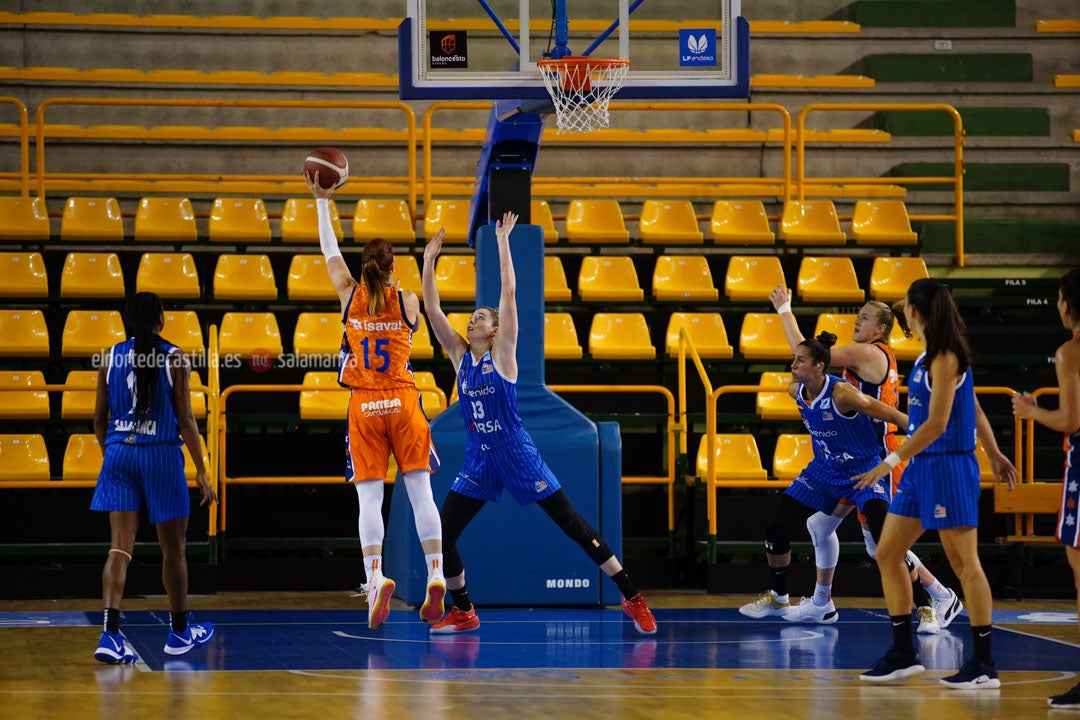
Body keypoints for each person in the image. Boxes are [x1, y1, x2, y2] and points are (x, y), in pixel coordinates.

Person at [421, 210, 656, 635]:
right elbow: (433, 309)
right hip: (480, 458)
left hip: (516, 451)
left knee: (572, 523)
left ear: (493, 331)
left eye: (481, 317)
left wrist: (503, 242)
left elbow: (508, 294)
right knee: (443, 531)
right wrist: (428, 260)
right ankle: (464, 610)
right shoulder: (460, 358)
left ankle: (632, 596)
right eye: (472, 315)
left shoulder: (502, 356)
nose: (473, 318)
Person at [768, 286, 962, 632]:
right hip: (853, 457)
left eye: (865, 317)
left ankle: (937, 596)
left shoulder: (867, 354)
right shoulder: (870, 357)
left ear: (881, 329)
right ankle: (821, 602)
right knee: (820, 525)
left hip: (877, 456)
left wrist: (785, 310)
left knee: (881, 547)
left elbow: (806, 353)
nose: (857, 321)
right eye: (857, 316)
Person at [855, 278, 1017, 688]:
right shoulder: (928, 353)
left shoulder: (947, 357)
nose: (903, 308)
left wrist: (890, 459)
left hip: (947, 466)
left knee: (966, 566)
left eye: (907, 304)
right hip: (921, 468)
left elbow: (940, 424)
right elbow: (975, 406)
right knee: (889, 552)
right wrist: (997, 454)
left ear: (916, 311)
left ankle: (983, 663)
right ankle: (904, 654)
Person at [306, 171, 445, 630]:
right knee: (421, 493)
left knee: (369, 501)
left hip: (364, 405)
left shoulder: (350, 295)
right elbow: (424, 310)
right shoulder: (408, 302)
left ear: (364, 268)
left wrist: (323, 203)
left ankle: (374, 579)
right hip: (404, 401)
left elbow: (329, 253)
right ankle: (436, 574)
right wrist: (426, 265)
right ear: (392, 268)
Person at [739, 332, 909, 625]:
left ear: (819, 366)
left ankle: (925, 604)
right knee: (776, 526)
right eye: (794, 359)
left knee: (883, 542)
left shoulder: (843, 394)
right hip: (825, 471)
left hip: (863, 469)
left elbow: (891, 414)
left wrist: (925, 433)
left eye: (800, 360)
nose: (793, 364)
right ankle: (780, 598)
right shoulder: (796, 392)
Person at [90, 291, 216, 664]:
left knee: (119, 548)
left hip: (119, 454)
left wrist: (113, 454)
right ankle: (179, 632)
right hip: (160, 454)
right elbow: (187, 420)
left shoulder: (109, 357)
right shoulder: (174, 357)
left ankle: (109, 635)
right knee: (173, 550)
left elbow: (99, 419)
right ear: (161, 319)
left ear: (128, 321)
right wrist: (202, 470)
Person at [1011, 268, 1080, 709]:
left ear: (1069, 304)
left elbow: (1072, 421)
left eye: (1058, 299)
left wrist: (1032, 412)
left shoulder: (1070, 351)